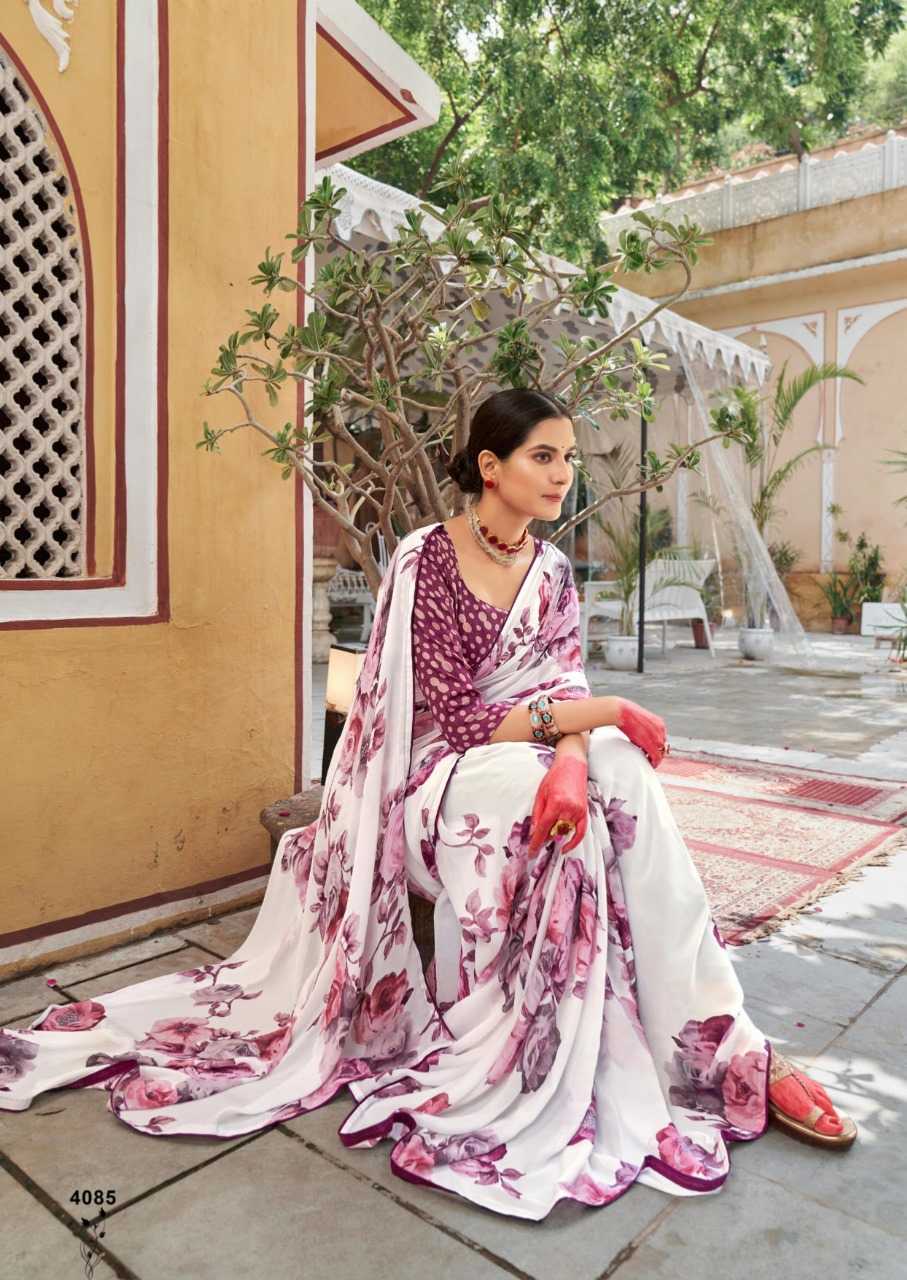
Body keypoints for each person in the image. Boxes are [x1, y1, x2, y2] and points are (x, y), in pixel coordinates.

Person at [0, 388, 855, 1221]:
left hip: (532, 748)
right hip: (437, 768)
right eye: (542, 456)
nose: (562, 474)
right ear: (490, 465)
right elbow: (465, 718)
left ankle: (727, 1038)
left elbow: (562, 685)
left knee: (619, 769)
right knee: (562, 779)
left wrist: (573, 757)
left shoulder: (552, 571)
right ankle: (527, 1044)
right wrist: (592, 720)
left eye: (567, 458)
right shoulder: (427, 560)